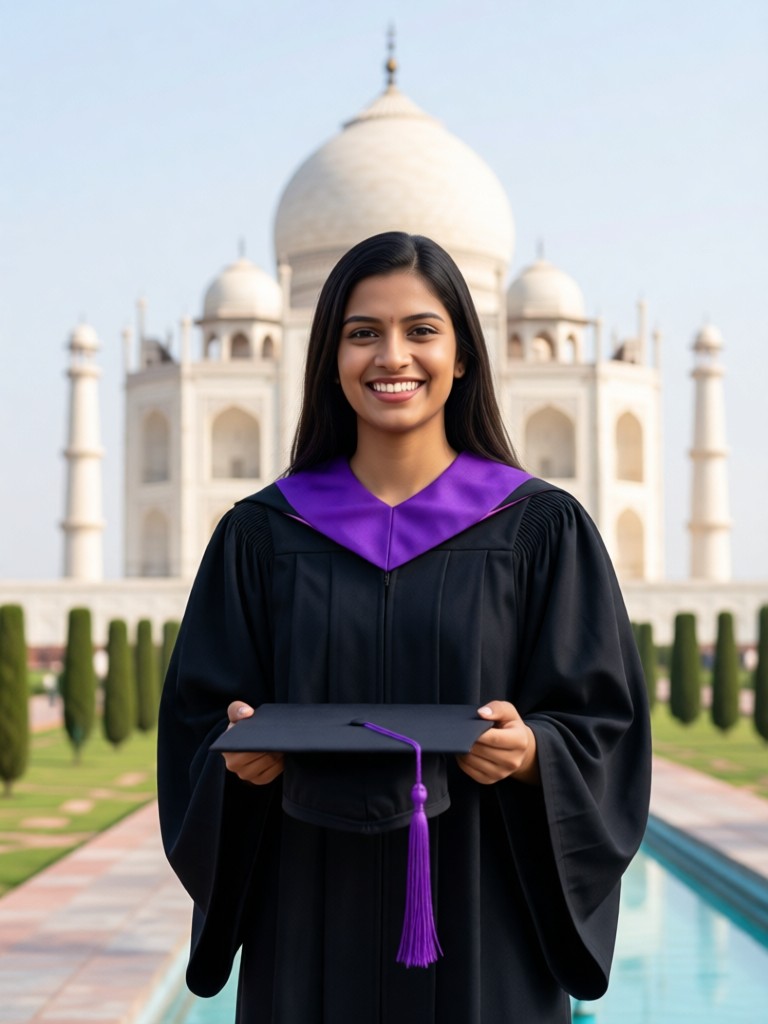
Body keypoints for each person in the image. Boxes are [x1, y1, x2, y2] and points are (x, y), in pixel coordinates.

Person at [158, 231, 652, 1023]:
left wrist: (535, 754)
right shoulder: (262, 535)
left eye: (422, 330)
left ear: (462, 357)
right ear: (329, 357)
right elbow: (196, 722)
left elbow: (604, 727)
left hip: (485, 917)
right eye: (363, 333)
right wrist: (232, 755)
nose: (393, 356)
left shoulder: (538, 530)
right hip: (308, 917)